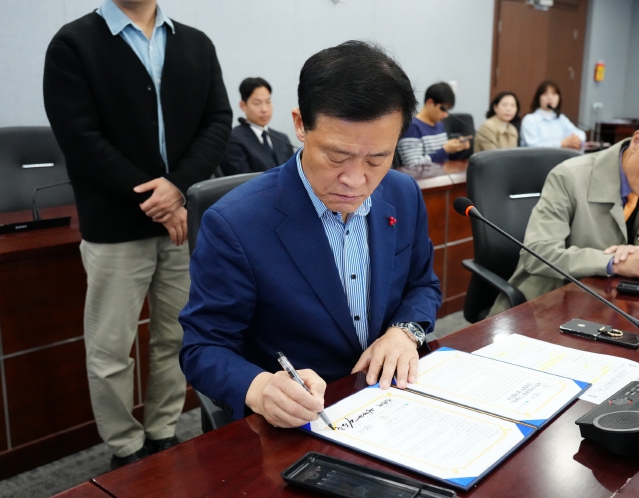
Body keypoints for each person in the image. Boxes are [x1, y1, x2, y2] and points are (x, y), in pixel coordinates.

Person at [179, 41, 442, 429]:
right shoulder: (235, 223)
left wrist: (403, 333)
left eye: (377, 159)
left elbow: (423, 285)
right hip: (299, 421)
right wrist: (260, 388)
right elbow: (203, 347)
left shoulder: (402, 194)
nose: (356, 180)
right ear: (301, 124)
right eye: (337, 156)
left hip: (389, 398)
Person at [43, 0, 231, 469]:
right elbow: (79, 138)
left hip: (182, 222)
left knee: (176, 335)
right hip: (115, 227)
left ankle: (163, 430)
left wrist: (178, 187)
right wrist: (156, 198)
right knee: (110, 348)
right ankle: (125, 445)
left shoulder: (196, 43)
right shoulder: (74, 44)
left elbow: (217, 122)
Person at [491, 105, 639, 314]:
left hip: (614, 301)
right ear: (637, 141)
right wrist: (616, 262)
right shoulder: (569, 177)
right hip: (549, 302)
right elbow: (538, 254)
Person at [220, 77, 295, 176]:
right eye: (257, 103)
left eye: (268, 102)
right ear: (243, 105)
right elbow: (241, 179)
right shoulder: (233, 139)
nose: (264, 109)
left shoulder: (282, 139)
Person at [396, 82, 470, 166]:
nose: (446, 115)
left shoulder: (439, 125)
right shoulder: (412, 127)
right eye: (443, 109)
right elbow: (413, 165)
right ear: (430, 103)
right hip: (422, 175)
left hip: (442, 173)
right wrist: (445, 150)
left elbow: (444, 159)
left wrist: (459, 149)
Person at [520, 80, 586, 150]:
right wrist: (561, 143)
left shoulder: (560, 118)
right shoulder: (530, 120)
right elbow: (533, 146)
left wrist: (575, 140)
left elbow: (581, 134)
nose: (550, 98)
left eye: (554, 94)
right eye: (546, 94)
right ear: (538, 98)